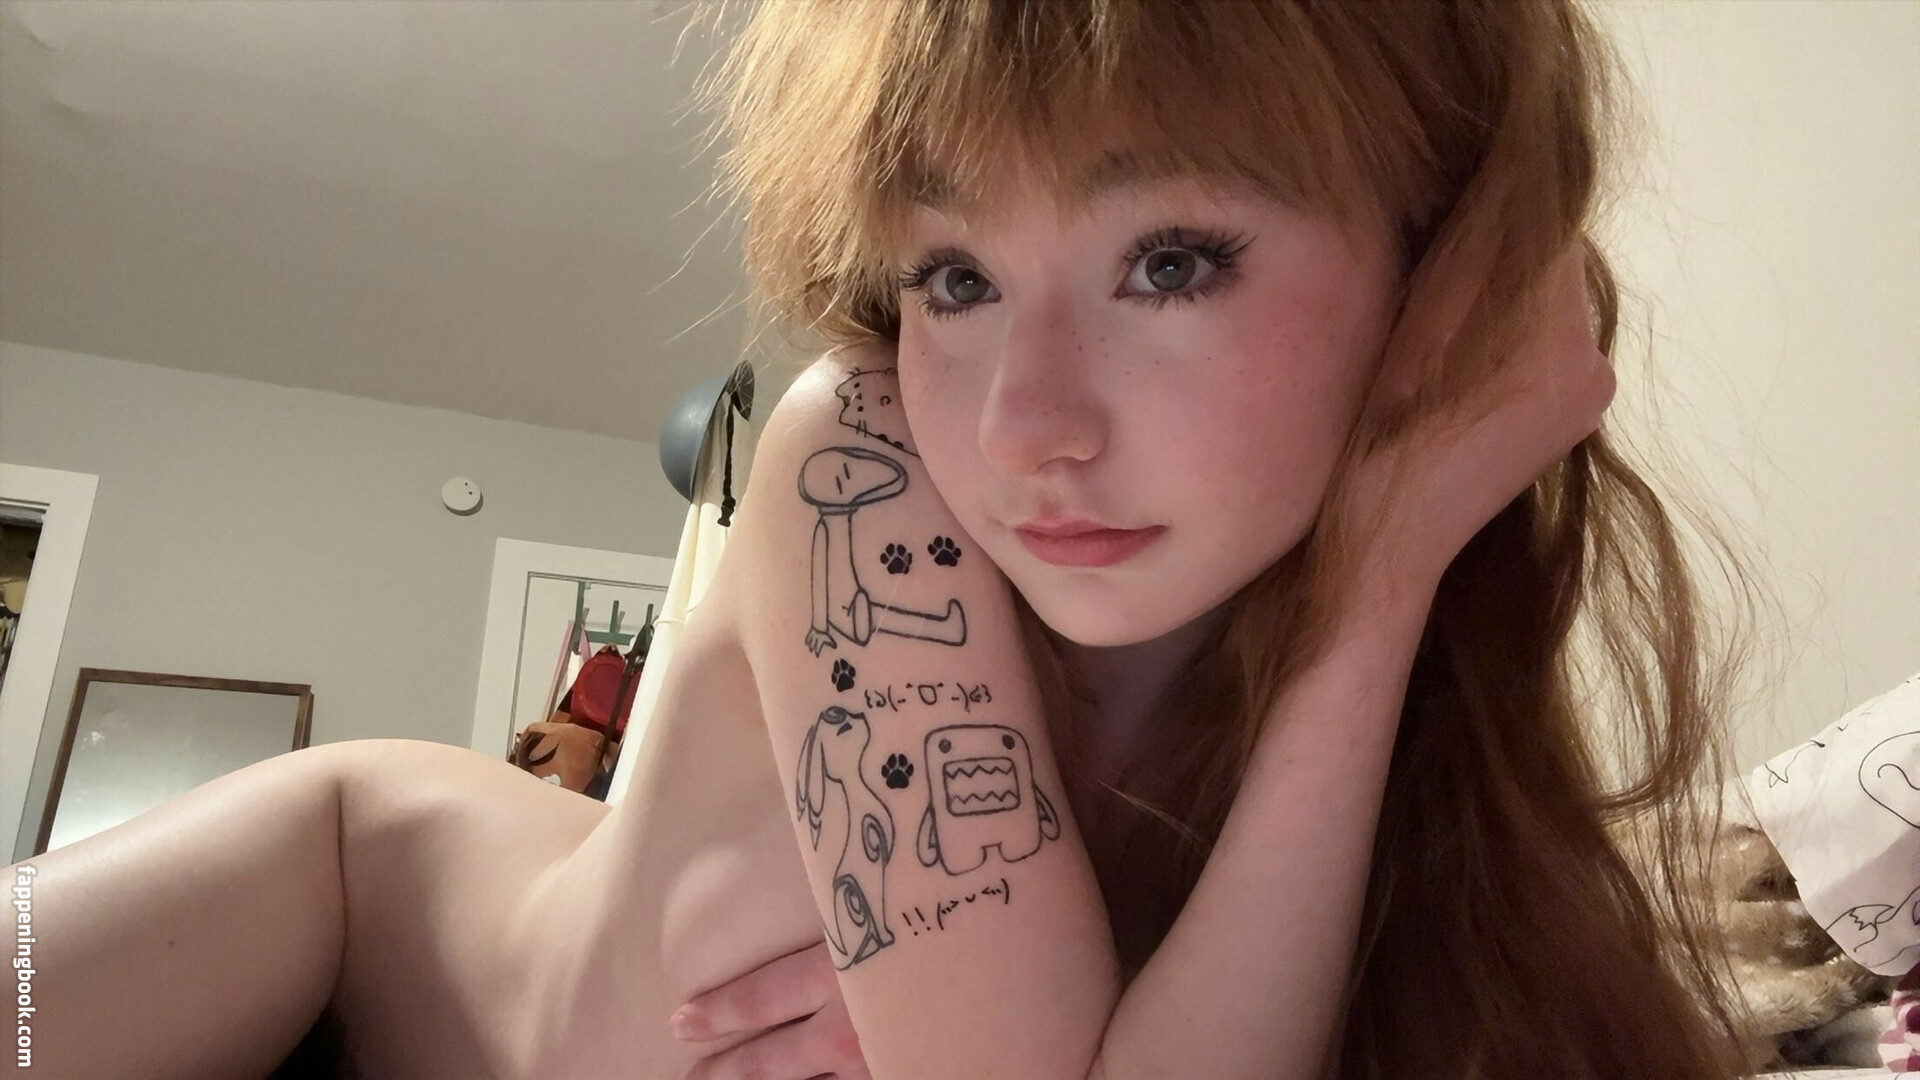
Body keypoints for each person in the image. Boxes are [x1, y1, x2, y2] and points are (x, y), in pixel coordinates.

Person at [5, 1, 1766, 1077]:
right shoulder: (856, 453)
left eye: (1171, 260)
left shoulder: (1360, 665)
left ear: (1440, 275)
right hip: (353, 875)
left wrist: (1381, 582)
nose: (1018, 427)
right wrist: (1377, 577)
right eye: (955, 277)